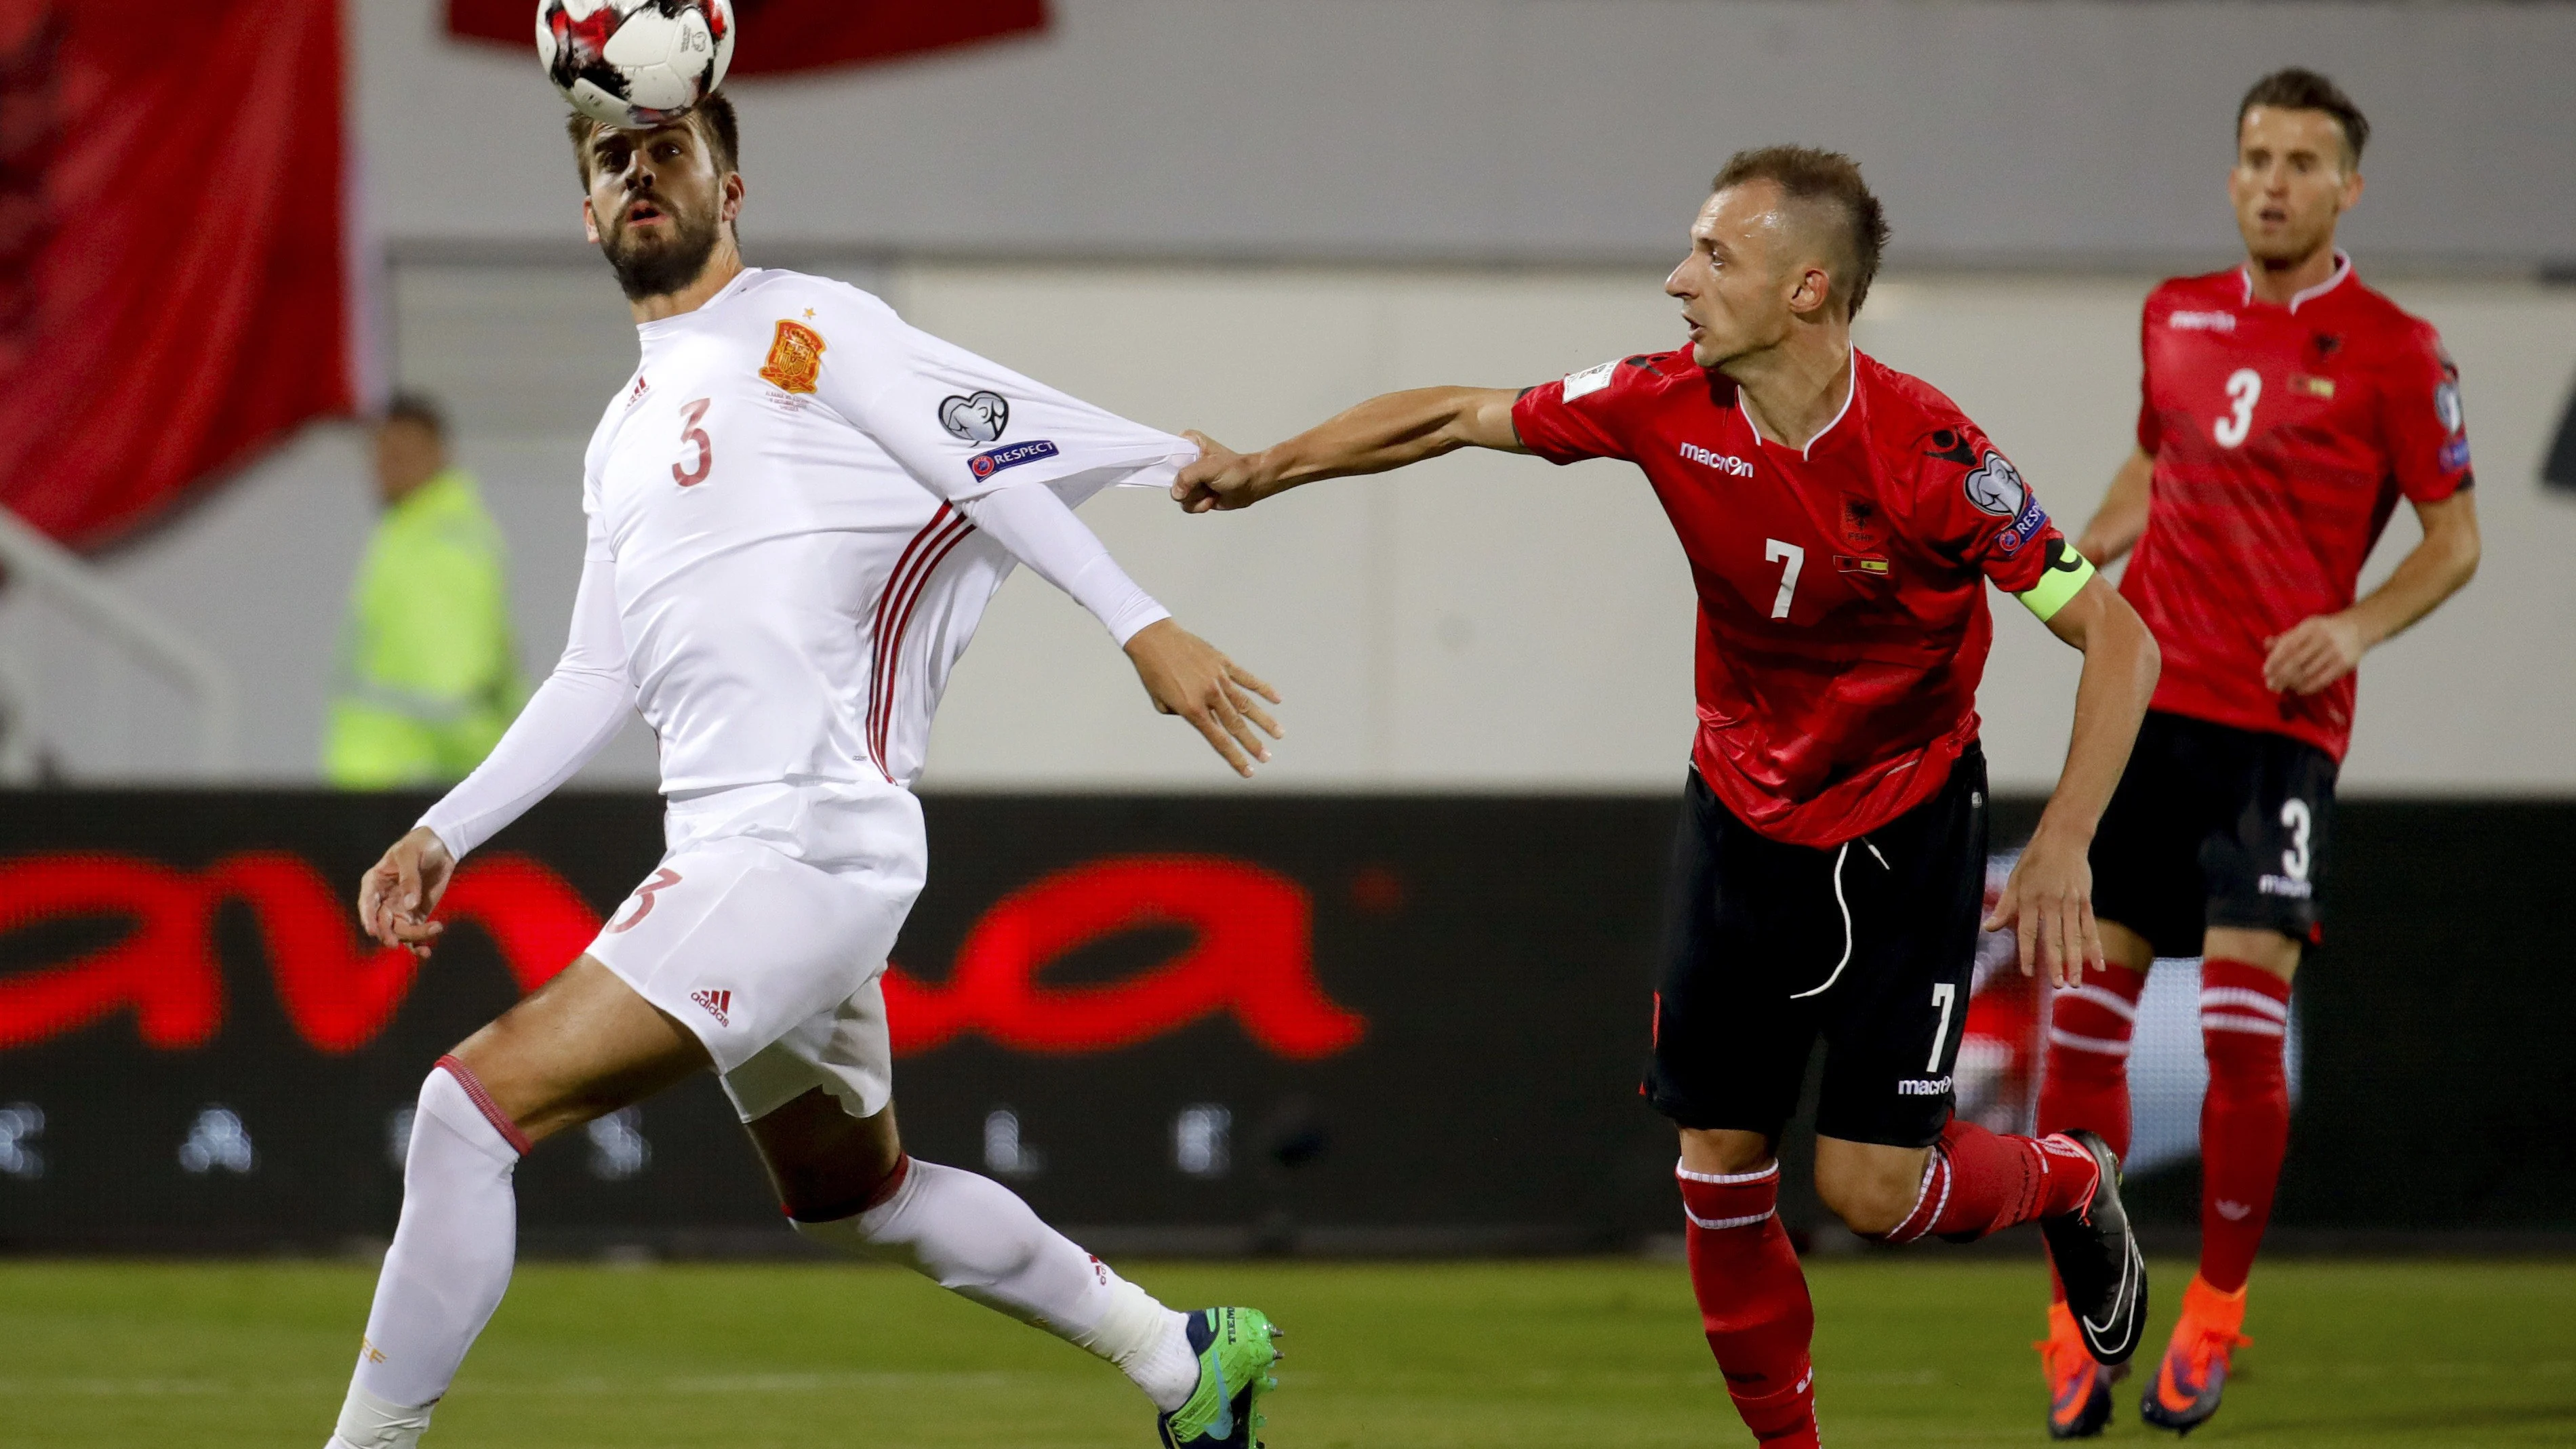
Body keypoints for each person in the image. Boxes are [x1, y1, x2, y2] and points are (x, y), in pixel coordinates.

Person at [325, 94, 1287, 1449]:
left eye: (669, 151)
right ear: (587, 213)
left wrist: (1138, 619)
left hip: (796, 842)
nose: (640, 174)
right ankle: (1184, 1358)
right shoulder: (625, 429)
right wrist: (447, 827)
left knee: (465, 1110)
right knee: (861, 1193)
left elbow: (984, 462)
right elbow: (597, 675)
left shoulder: (807, 326)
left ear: (732, 184)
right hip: (745, 857)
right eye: (613, 159)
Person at [1172, 146, 2164, 1449]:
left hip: (1901, 834)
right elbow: (1457, 415)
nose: (1676, 280)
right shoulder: (1661, 402)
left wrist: (2068, 840)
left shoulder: (1932, 457)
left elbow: (2115, 635)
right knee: (1719, 1167)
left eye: (1714, 257)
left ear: (1808, 289)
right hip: (1737, 824)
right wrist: (1264, 468)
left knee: (1869, 1191)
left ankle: (2069, 1182)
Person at [2032, 68, 2480, 1439]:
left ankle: (2214, 1311)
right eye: (2254, 156)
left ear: (2348, 188)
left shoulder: (2399, 349)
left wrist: (2353, 624)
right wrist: (2088, 543)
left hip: (2276, 737)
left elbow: (2454, 542)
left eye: (2301, 160)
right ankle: (2074, 1307)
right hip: (2149, 713)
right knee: (2085, 1018)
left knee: (2237, 1027)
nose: (2272, 180)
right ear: (2231, 176)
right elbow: (2154, 462)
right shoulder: (2173, 315)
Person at [324, 394, 526, 788]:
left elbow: (454, 692)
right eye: (380, 454)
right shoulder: (412, 532)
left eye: (400, 454)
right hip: (400, 784)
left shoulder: (438, 543)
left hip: (409, 788)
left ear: (438, 456)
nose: (384, 468)